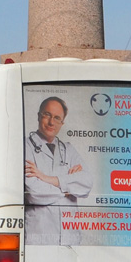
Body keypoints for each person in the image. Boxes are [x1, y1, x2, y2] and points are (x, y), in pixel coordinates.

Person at [24, 96, 94, 245]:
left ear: (62, 123)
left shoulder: (68, 149)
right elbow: (33, 192)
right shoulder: (25, 147)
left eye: (57, 118)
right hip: (39, 237)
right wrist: (68, 188)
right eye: (47, 115)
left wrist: (47, 178)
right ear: (38, 116)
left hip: (70, 238)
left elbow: (87, 183)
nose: (51, 122)